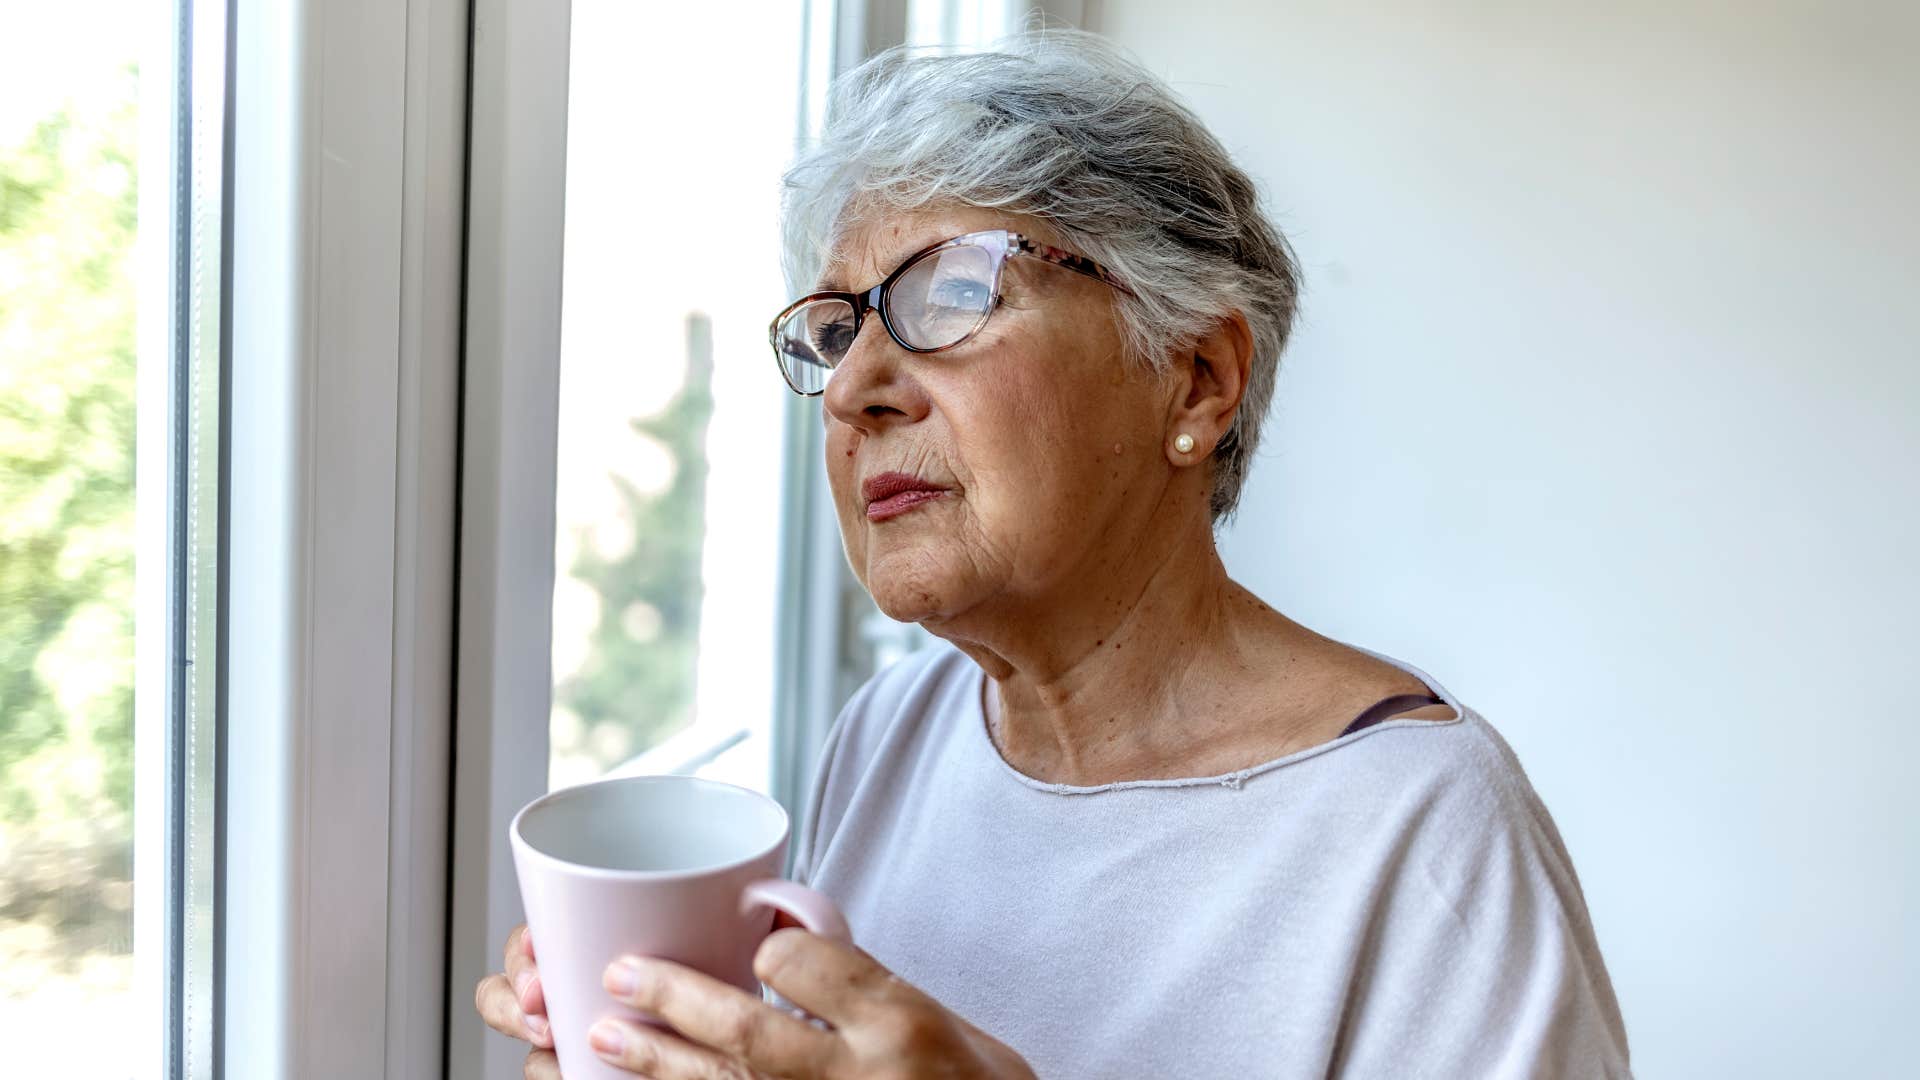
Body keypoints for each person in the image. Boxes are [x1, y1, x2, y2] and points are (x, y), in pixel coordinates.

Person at [477, 30, 1630, 1079]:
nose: (859, 392)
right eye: (836, 332)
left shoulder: (1426, 836)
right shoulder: (895, 733)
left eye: (953, 292)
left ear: (1197, 379)